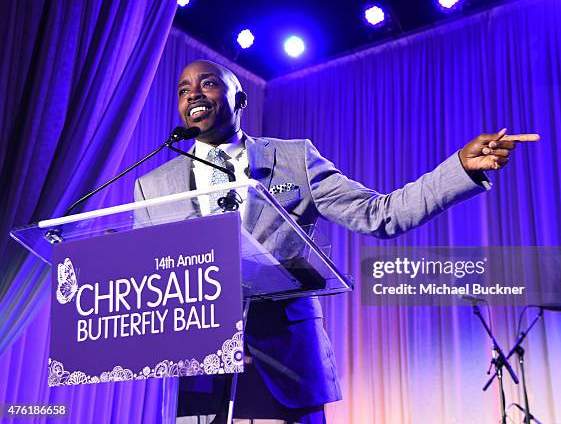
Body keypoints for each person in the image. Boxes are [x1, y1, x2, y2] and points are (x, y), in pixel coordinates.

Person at [134, 60, 539, 423]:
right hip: (198, 371)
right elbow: (148, 283)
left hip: (286, 361)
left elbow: (381, 214)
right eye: (184, 90)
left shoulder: (294, 160)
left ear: (239, 98)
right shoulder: (152, 185)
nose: (194, 95)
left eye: (208, 84)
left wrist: (460, 169)